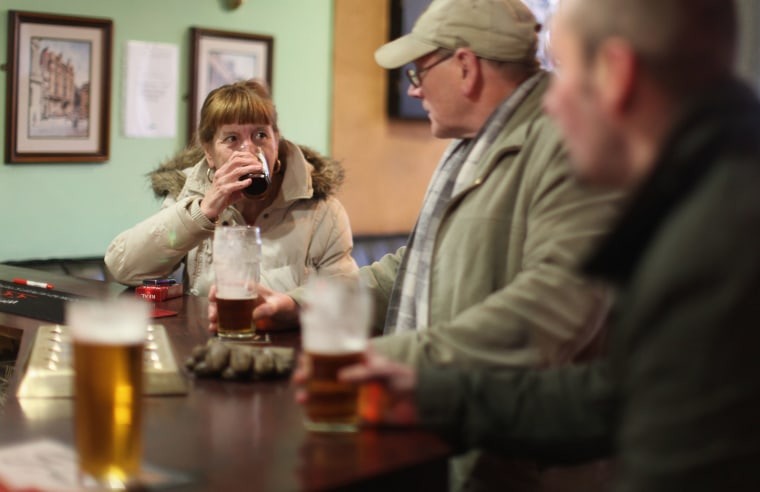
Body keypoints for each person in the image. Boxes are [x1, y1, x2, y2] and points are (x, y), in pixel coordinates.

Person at [328, 0, 760, 490]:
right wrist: (435, 395)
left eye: (566, 71)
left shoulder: (718, 236)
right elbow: (615, 395)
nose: (550, 99)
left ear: (617, 74)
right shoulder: (706, 194)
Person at [220, 0, 622, 489]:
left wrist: (402, 359)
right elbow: (415, 267)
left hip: (523, 464)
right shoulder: (473, 145)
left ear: (466, 68)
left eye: (419, 70)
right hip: (455, 442)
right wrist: (297, 304)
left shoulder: (569, 141)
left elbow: (555, 306)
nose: (412, 88)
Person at [105, 80, 357, 296]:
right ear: (209, 152)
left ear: (276, 140)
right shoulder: (192, 194)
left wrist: (288, 311)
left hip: (286, 347)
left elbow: (345, 300)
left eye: (260, 135)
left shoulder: (323, 211)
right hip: (207, 344)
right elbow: (123, 268)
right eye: (231, 139)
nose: (248, 150)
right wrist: (202, 212)